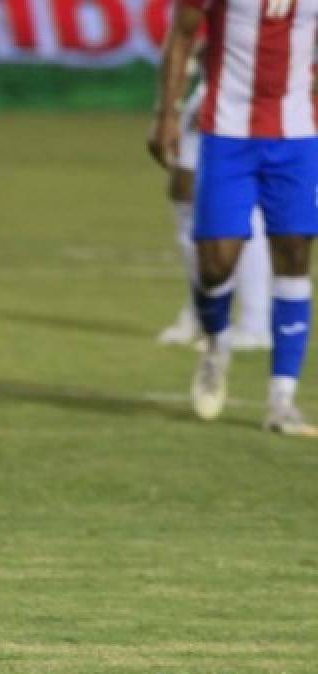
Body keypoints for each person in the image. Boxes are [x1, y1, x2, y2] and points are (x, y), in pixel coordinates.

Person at [149, 0, 318, 436]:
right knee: (216, 262)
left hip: (297, 133)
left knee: (295, 254)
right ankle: (216, 344)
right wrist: (165, 114)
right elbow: (183, 33)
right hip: (227, 133)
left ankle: (282, 400)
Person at [156, 68, 271, 351]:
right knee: (184, 193)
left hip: (254, 93)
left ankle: (255, 324)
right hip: (218, 84)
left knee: (245, 202)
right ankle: (201, 311)